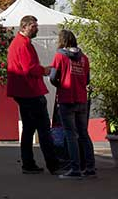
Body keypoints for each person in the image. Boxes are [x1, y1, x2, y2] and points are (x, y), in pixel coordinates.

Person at [7, 15, 60, 175]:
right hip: (30, 91)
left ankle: (28, 163)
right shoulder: (22, 44)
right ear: (24, 27)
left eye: (36, 26)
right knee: (44, 129)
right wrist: (45, 70)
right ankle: (53, 164)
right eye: (33, 26)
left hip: (23, 91)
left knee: (29, 129)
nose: (36, 29)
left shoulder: (18, 43)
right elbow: (29, 68)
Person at [50, 30, 96, 179]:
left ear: (62, 41)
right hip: (82, 99)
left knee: (70, 134)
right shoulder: (84, 58)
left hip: (66, 98)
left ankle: (75, 169)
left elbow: (52, 77)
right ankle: (90, 168)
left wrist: (60, 84)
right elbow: (87, 80)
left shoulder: (59, 56)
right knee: (83, 134)